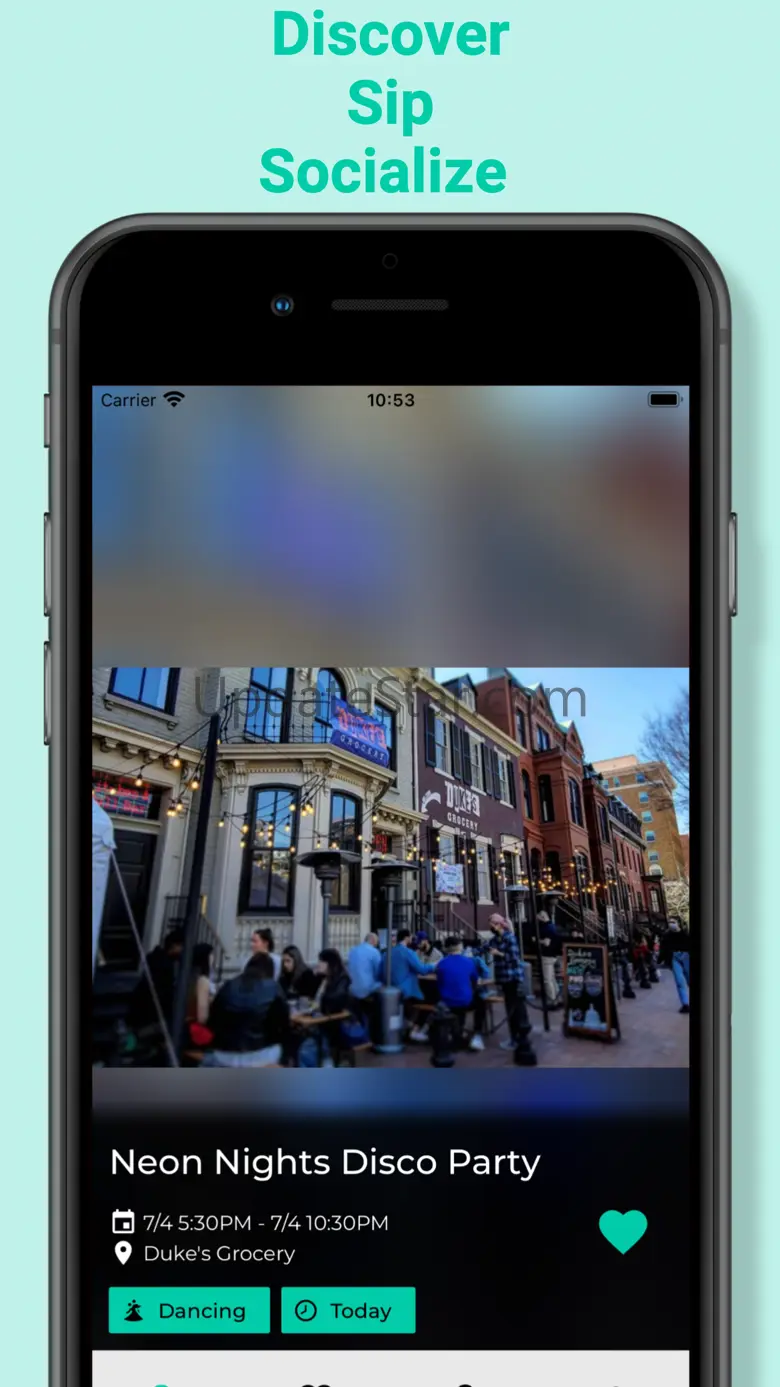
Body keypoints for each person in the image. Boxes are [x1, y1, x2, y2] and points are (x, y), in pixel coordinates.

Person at [202, 952, 289, 1067]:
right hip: (260, 1053)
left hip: (224, 1054)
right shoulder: (274, 988)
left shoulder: (228, 985)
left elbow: (213, 1020)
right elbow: (283, 1025)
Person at [128, 926, 184, 1034]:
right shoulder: (165, 966)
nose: (182, 951)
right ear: (174, 946)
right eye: (181, 946)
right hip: (149, 1014)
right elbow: (164, 994)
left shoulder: (155, 958)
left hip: (141, 1009)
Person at [436, 936, 487, 1051]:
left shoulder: (441, 964)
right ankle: (477, 1034)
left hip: (446, 1001)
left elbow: (440, 983)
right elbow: (475, 981)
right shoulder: (469, 962)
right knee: (481, 1002)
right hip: (464, 1001)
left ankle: (457, 1032)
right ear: (459, 947)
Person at [489, 914, 529, 1050]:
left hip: (512, 978)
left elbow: (513, 958)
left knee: (515, 1009)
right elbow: (486, 947)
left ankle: (518, 1038)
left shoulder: (510, 938)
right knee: (510, 1008)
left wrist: (498, 953)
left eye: (493, 924)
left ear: (499, 925)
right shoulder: (495, 939)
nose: (491, 927)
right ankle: (514, 1037)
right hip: (504, 978)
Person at [347, 933, 383, 1041]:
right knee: (385, 988)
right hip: (367, 990)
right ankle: (377, 1032)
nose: (376, 944)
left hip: (352, 989)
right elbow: (379, 972)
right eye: (376, 942)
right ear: (372, 941)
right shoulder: (374, 952)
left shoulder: (353, 950)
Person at [389, 928, 437, 1003]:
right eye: (411, 936)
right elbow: (422, 970)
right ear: (406, 938)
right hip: (406, 993)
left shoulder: (387, 953)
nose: (412, 939)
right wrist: (434, 965)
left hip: (390, 990)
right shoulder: (409, 953)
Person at [660, 921, 691, 1013]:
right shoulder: (666, 936)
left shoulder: (684, 933)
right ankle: (685, 1004)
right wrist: (661, 959)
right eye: (670, 922)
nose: (671, 924)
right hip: (674, 958)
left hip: (686, 956)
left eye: (673, 922)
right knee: (679, 981)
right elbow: (663, 948)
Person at [536, 910, 563, 1007]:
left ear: (543, 917)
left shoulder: (546, 929)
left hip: (547, 955)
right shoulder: (552, 926)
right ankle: (558, 998)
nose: (538, 921)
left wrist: (538, 940)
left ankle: (552, 1000)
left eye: (539, 919)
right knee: (552, 978)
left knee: (547, 980)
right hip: (554, 955)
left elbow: (546, 943)